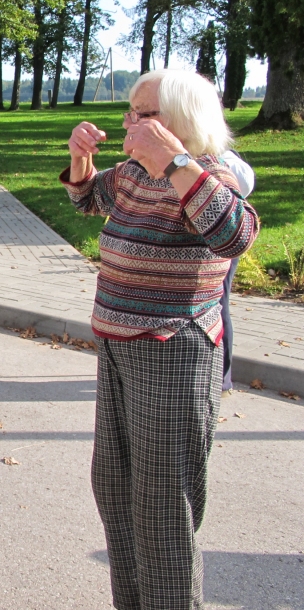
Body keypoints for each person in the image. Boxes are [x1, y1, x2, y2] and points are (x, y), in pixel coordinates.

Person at [62, 69, 259, 610]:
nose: (128, 122)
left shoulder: (207, 173)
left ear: (178, 123)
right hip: (119, 346)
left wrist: (175, 162)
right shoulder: (133, 173)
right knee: (116, 487)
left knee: (164, 507)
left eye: (141, 114)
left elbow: (235, 233)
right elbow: (86, 200)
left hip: (175, 350)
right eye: (129, 111)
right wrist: (80, 158)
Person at [218, 149, 255, 394]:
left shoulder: (227, 164)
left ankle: (222, 378)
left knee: (219, 304)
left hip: (221, 239)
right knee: (221, 304)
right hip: (219, 237)